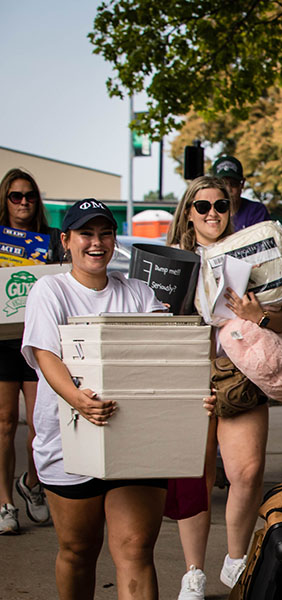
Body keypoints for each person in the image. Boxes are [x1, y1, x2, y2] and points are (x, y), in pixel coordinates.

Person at [21, 199, 171, 599]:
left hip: (137, 439)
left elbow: (166, 353)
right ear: (66, 240)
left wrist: (189, 399)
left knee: (136, 549)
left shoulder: (139, 292)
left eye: (105, 233)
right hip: (69, 439)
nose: (96, 242)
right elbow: (45, 354)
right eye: (86, 233)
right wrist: (77, 399)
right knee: (78, 550)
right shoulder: (49, 290)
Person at [166, 176, 282, 600]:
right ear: (188, 212)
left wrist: (259, 316)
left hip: (239, 373)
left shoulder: (250, 254)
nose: (213, 214)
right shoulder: (172, 262)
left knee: (247, 472)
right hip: (187, 376)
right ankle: (193, 572)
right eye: (203, 207)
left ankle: (236, 560)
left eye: (221, 205)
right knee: (194, 477)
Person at [0, 168, 64, 535]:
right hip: (2, 343)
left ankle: (33, 485)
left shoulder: (52, 240)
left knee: (41, 426)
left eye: (30, 196)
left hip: (40, 340)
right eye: (15, 196)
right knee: (4, 423)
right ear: (5, 200)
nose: (23, 202)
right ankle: (5, 502)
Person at [211, 155, 270, 232]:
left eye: (233, 184)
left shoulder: (256, 211)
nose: (228, 190)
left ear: (242, 184)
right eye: (222, 184)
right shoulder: (208, 214)